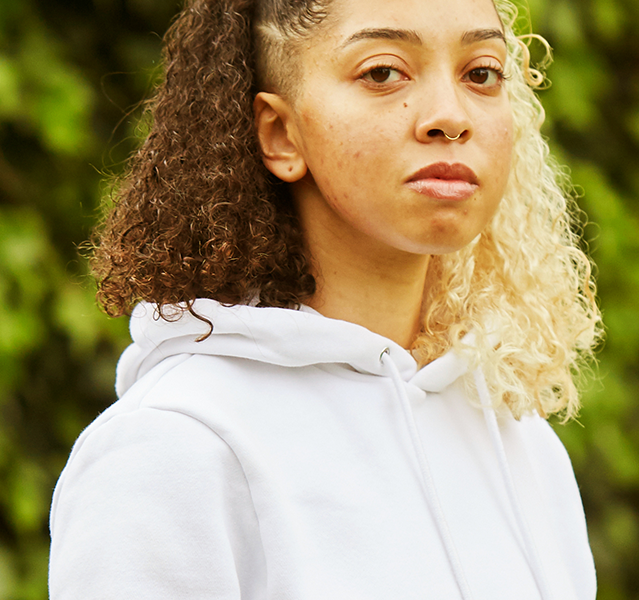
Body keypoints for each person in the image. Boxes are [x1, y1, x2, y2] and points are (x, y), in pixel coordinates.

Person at [47, 0, 602, 596]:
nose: (450, 116)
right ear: (280, 134)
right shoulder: (175, 449)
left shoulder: (521, 445)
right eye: (383, 72)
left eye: (481, 73)